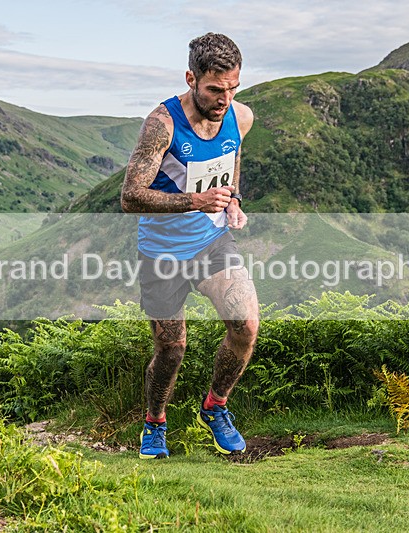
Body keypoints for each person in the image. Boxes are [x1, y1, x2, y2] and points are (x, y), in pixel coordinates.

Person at [120, 32, 259, 459]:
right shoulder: (161, 125)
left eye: (233, 87)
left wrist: (232, 201)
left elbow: (230, 163)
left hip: (211, 243)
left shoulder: (241, 116)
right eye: (215, 89)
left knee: (246, 325)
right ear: (191, 78)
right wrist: (195, 201)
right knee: (171, 348)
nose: (224, 98)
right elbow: (129, 196)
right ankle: (155, 423)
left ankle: (215, 407)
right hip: (161, 252)